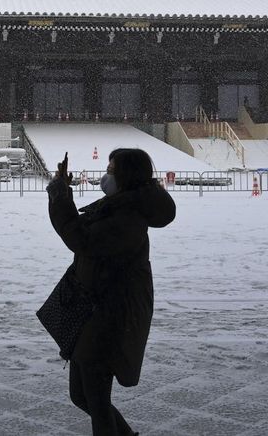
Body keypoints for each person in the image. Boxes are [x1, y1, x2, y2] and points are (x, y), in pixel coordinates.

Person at [46, 148, 176, 436]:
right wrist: (63, 190)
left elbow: (81, 238)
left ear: (126, 176)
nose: (106, 175)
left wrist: (59, 196)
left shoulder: (127, 217)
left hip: (109, 318)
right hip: (93, 312)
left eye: (112, 170)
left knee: (96, 399)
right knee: (82, 395)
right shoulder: (117, 205)